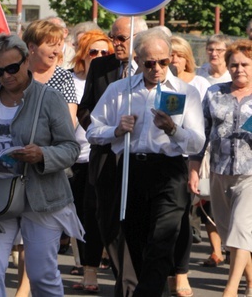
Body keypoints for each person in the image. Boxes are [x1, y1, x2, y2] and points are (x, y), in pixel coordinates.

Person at [88, 28, 204, 296]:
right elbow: (93, 131)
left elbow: (197, 143)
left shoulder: (186, 92)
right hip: (131, 168)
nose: (157, 69)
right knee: (135, 241)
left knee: (162, 241)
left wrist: (174, 130)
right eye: (150, 63)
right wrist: (115, 130)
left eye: (163, 62)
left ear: (171, 58)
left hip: (170, 171)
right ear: (137, 60)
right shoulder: (120, 90)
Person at [0, 33, 81, 296]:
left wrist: (42, 155)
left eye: (12, 68)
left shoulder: (49, 98)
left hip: (41, 196)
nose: (6, 76)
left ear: (26, 60)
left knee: (41, 275)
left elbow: (71, 148)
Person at [77, 15, 148, 295]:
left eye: (120, 38)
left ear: (138, 40)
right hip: (106, 157)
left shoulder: (151, 68)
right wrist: (104, 130)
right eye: (112, 37)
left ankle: (133, 285)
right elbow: (86, 109)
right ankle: (125, 278)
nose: (114, 44)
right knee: (107, 224)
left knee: (136, 223)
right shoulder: (100, 67)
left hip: (141, 160)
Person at [189, 39, 252, 297]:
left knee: (240, 229)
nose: (240, 69)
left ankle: (230, 290)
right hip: (218, 171)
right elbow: (201, 132)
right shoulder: (214, 93)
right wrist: (194, 168)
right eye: (234, 65)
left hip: (250, 173)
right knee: (231, 236)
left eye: (245, 64)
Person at [167, 35, 211, 297]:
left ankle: (181, 273)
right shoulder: (159, 82)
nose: (174, 60)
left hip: (188, 158)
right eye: (169, 55)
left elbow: (204, 126)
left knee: (183, 219)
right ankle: (164, 273)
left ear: (187, 58)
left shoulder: (198, 84)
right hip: (161, 158)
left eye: (179, 55)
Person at [69, 29, 113, 292]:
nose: (98, 56)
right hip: (76, 157)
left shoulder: (111, 78)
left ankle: (105, 258)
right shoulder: (70, 80)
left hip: (102, 156)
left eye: (103, 52)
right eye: (92, 51)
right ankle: (87, 267)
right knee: (82, 214)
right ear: (82, 54)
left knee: (101, 213)